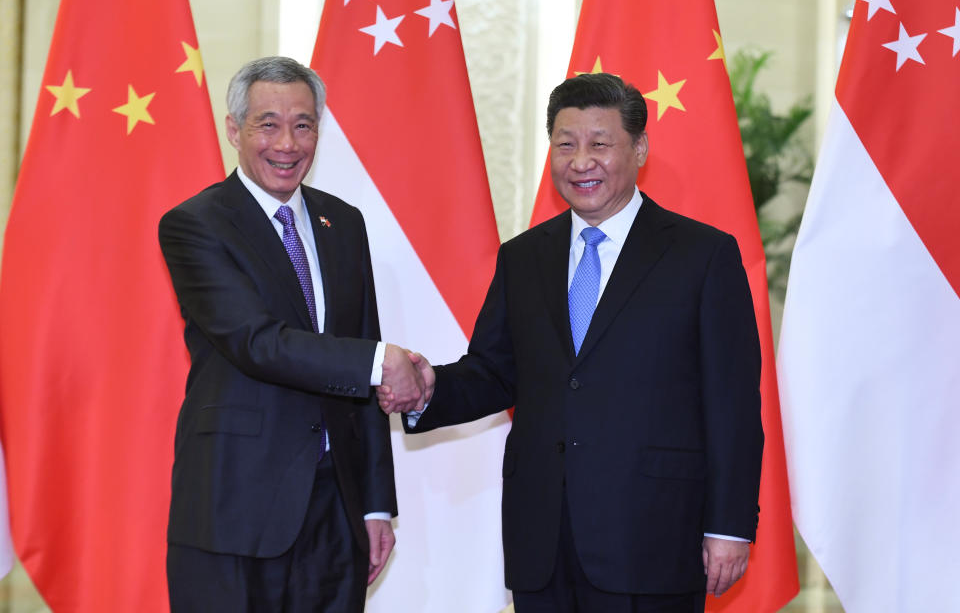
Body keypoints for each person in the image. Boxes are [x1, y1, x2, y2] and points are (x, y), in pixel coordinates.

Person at [380, 73, 764, 612]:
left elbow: (733, 404)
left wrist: (729, 525)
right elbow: (494, 371)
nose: (581, 161)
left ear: (640, 149)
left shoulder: (702, 256)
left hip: (653, 536)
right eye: (566, 144)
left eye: (600, 144)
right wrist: (427, 389)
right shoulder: (524, 257)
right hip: (543, 541)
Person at [159, 56, 424, 611]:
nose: (288, 143)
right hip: (234, 509)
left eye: (303, 125)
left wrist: (376, 505)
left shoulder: (343, 221)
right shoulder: (195, 224)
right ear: (234, 130)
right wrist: (381, 362)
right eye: (268, 124)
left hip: (337, 506)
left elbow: (361, 345)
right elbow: (256, 342)